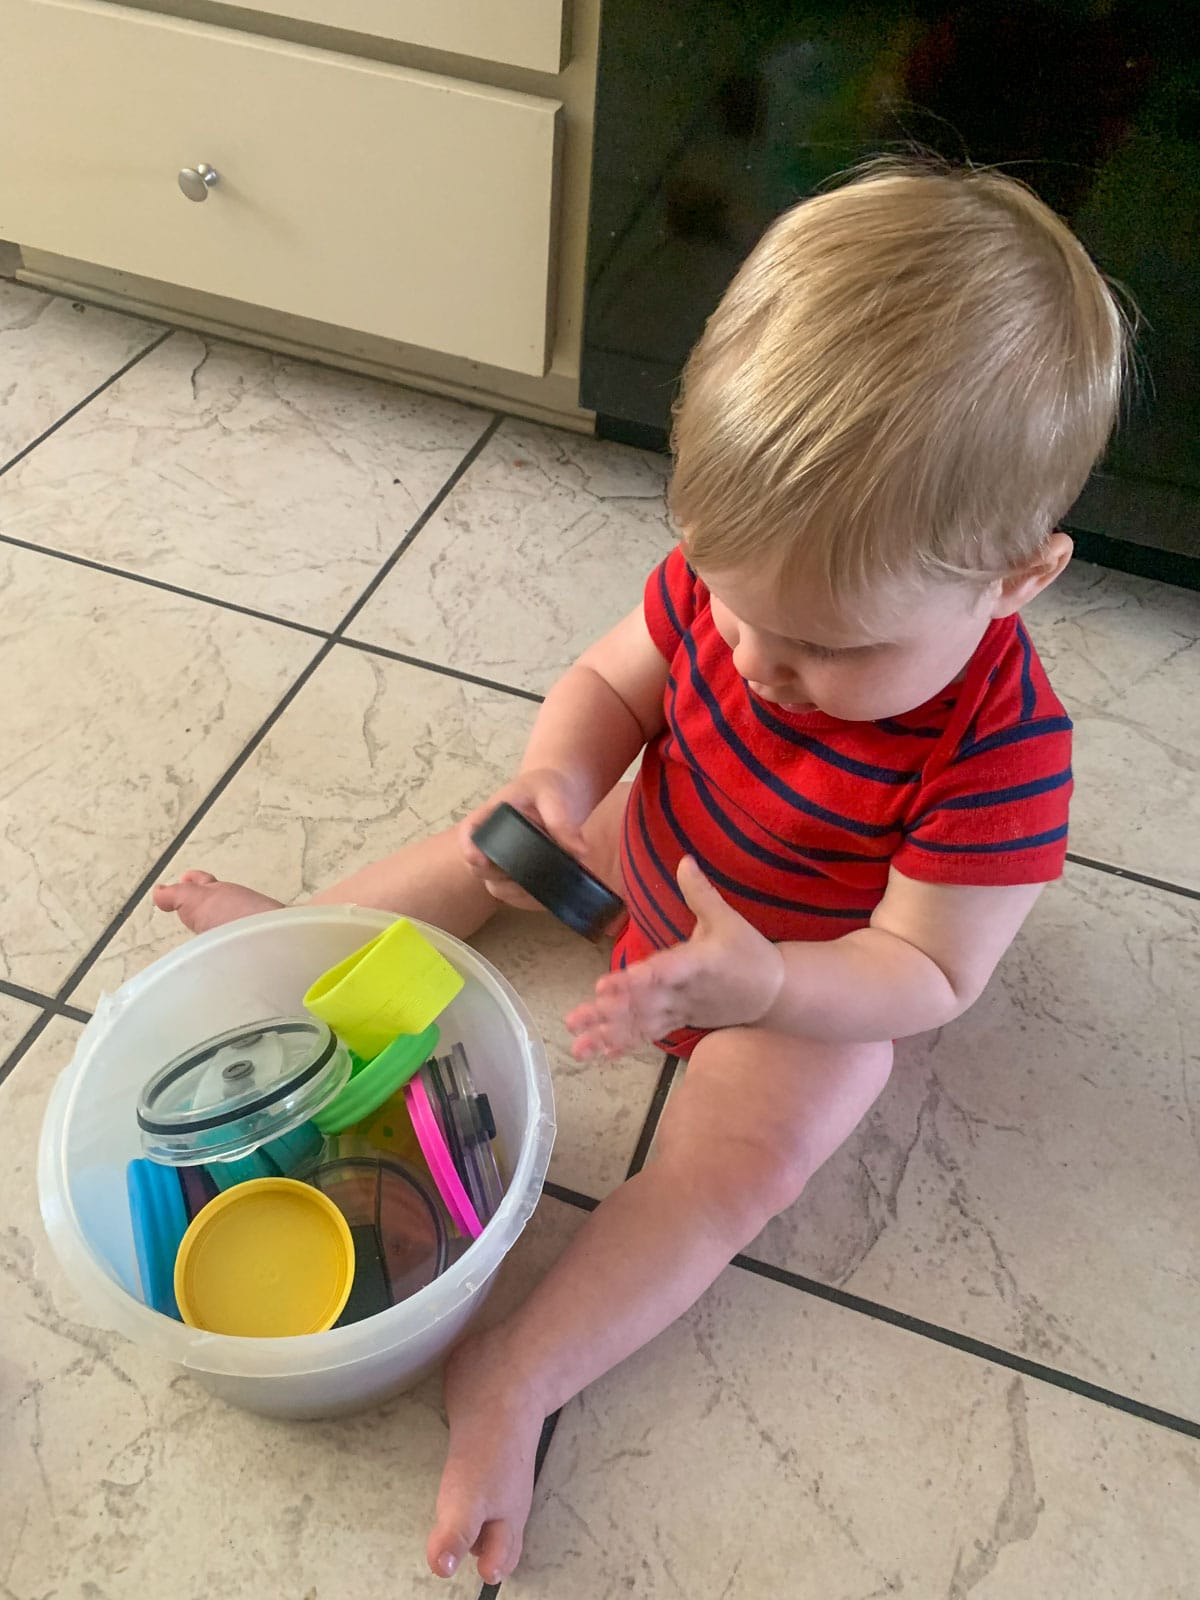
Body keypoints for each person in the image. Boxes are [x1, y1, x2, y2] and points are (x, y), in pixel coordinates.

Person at [156, 159, 1126, 1585]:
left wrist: (769, 981)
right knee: (488, 844)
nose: (761, 666)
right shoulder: (741, 588)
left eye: (834, 651)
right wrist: (560, 776)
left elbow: (928, 973)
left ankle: (521, 1374)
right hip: (654, 851)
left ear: (1017, 579)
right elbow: (614, 684)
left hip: (806, 979)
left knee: (733, 1161)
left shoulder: (1005, 755)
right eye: (735, 611)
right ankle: (298, 948)